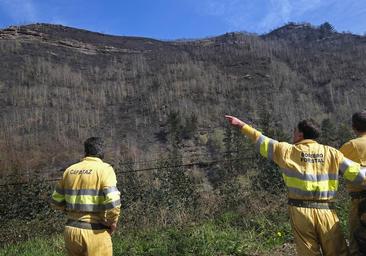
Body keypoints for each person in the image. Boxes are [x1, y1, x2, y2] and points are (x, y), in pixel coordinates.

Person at [225, 115, 366, 256]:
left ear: (300, 134)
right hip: (327, 210)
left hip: (300, 210)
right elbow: (359, 175)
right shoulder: (332, 153)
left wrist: (241, 125)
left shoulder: (287, 151)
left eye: (294, 132)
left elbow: (262, 140)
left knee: (308, 252)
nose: (293, 135)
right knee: (337, 252)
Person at [51, 137, 121, 256]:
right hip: (95, 232)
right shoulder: (105, 170)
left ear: (85, 152)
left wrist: (71, 212)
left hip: (71, 232)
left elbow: (56, 201)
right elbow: (114, 203)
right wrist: (111, 222)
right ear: (102, 153)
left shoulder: (70, 170)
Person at [340, 110, 366, 255]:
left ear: (354, 127)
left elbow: (337, 166)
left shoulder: (350, 146)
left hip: (360, 201)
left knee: (357, 243)